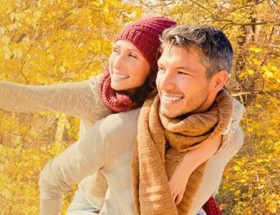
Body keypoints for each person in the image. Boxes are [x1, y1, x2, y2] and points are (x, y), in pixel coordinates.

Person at [39, 24, 245, 215]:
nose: (165, 84)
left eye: (182, 72)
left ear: (218, 81)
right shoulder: (120, 130)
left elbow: (230, 117)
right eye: (162, 69)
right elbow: (52, 180)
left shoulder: (230, 138)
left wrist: (188, 165)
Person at [0, 17, 178, 213]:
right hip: (90, 202)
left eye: (132, 56)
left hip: (137, 203)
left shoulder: (169, 100)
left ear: (155, 66)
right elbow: (27, 97)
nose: (117, 64)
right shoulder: (94, 95)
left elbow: (214, 116)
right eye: (116, 51)